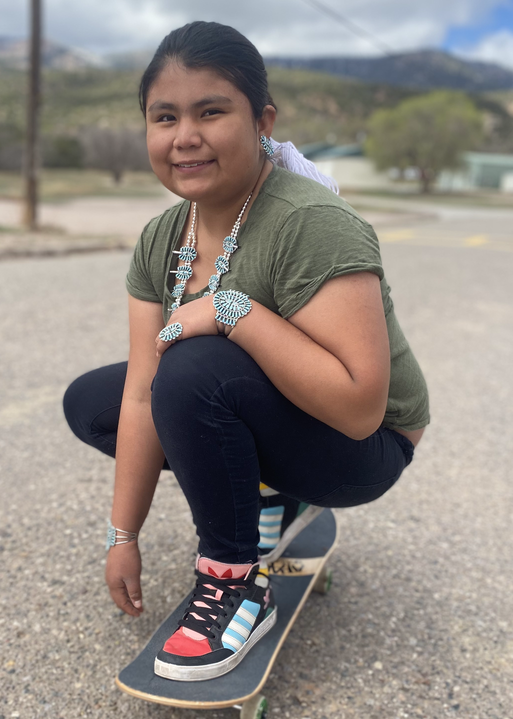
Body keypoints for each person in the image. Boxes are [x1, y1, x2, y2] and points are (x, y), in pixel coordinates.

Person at [63, 21, 429, 683]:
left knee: (193, 371)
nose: (185, 136)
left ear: (262, 121)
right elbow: (141, 393)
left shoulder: (310, 222)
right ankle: (268, 496)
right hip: (280, 409)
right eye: (165, 117)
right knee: (96, 402)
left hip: (366, 446)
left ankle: (235, 584)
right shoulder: (161, 238)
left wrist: (234, 311)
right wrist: (124, 535)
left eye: (211, 112)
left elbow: (360, 411)